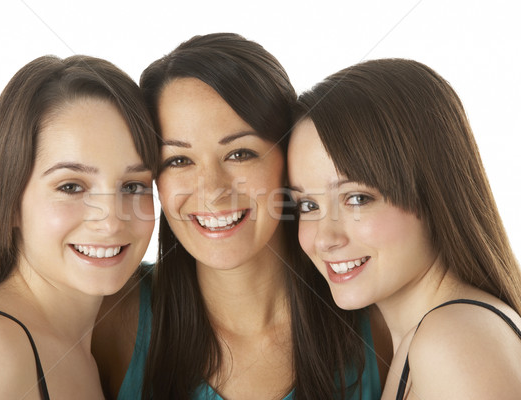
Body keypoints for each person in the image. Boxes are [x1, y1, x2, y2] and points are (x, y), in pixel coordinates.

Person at [93, 33, 386, 400]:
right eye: (179, 160)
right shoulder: (110, 321)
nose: (212, 189)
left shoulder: (380, 324)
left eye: (239, 154)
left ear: (290, 155)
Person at [0, 55, 157, 399]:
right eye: (71, 187)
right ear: (10, 201)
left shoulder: (83, 353)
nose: (110, 220)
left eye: (133, 186)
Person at [288, 58, 521, 400]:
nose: (324, 239)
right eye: (308, 205)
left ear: (434, 192)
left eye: (356, 198)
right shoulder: (426, 340)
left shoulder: (451, 343)